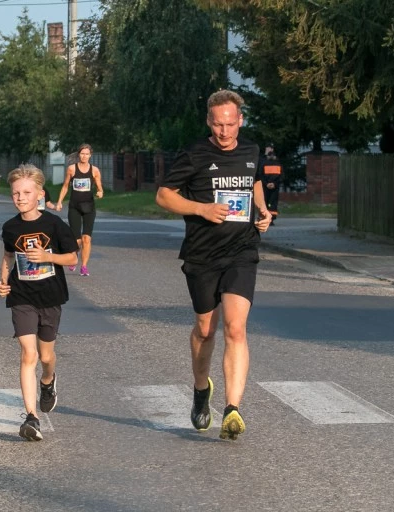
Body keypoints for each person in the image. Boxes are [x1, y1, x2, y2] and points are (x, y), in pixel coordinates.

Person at [155, 89, 272, 441]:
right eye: (218, 125)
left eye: (230, 124)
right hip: (202, 254)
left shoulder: (252, 151)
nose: (224, 132)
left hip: (242, 250)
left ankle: (232, 408)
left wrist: (262, 213)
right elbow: (164, 195)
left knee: (236, 329)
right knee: (206, 330)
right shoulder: (194, 154)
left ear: (240, 121)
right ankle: (200, 389)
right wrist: (201, 209)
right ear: (209, 121)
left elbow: (254, 184)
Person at [0, 164, 79, 441]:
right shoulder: (10, 228)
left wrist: (49, 258)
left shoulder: (54, 225)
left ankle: (48, 381)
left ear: (40, 194)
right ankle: (31, 418)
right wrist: (3, 281)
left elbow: (72, 258)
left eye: (26, 192)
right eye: (16, 193)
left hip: (50, 297)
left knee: (45, 357)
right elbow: (8, 257)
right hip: (22, 297)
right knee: (28, 354)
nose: (20, 197)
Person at [55, 144, 104, 276]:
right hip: (74, 207)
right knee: (77, 239)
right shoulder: (72, 169)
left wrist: (100, 192)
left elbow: (100, 187)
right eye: (82, 153)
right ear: (79, 155)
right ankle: (73, 259)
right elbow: (65, 186)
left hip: (89, 207)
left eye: (87, 154)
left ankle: (84, 266)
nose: (84, 156)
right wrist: (59, 202)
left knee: (86, 238)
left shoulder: (94, 170)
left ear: (90, 155)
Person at [261, 145, 282, 225]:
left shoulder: (264, 164)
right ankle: (272, 219)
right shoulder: (278, 164)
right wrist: (275, 184)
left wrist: (266, 184)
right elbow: (281, 177)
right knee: (273, 203)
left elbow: (261, 175)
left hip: (266, 187)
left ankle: (265, 217)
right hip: (274, 188)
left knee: (265, 202)